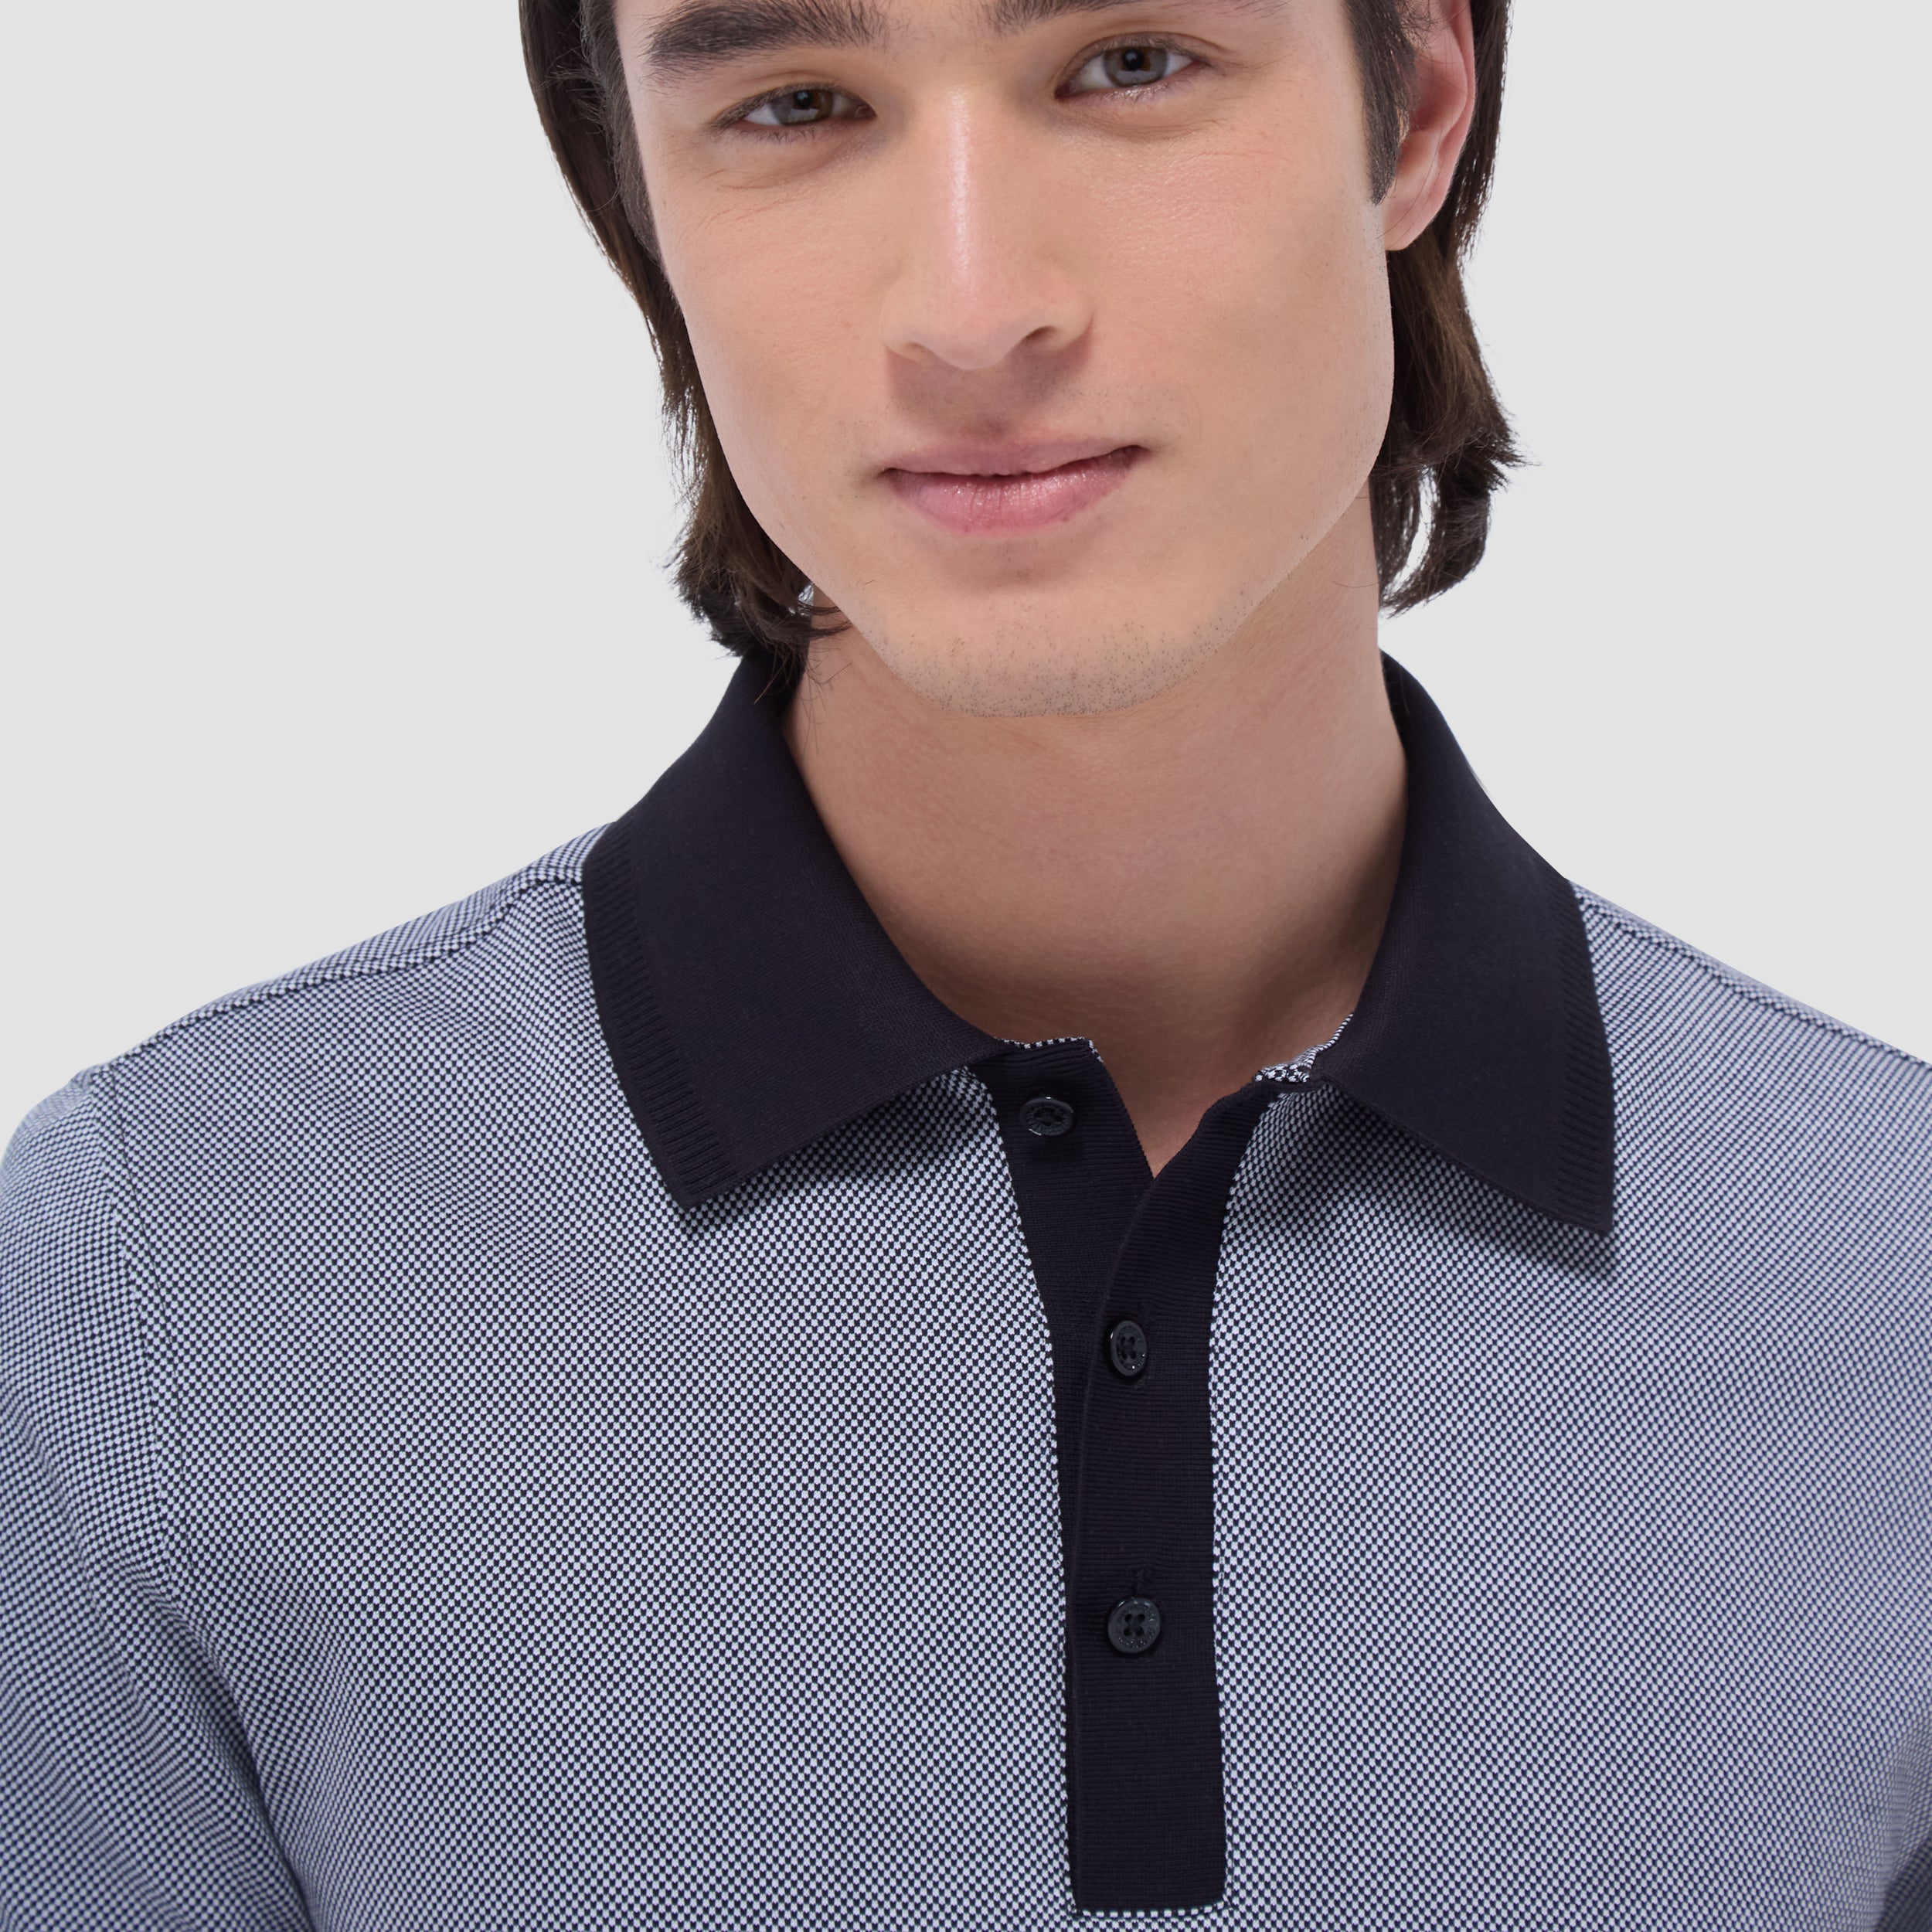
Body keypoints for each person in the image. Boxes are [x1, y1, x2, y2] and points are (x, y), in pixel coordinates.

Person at [4, 0, 1928, 1924]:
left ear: (1415, 100)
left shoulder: (1887, 1274)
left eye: (1128, 63)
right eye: (797, 103)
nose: (973, 308)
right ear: (634, 188)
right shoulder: (161, 1283)